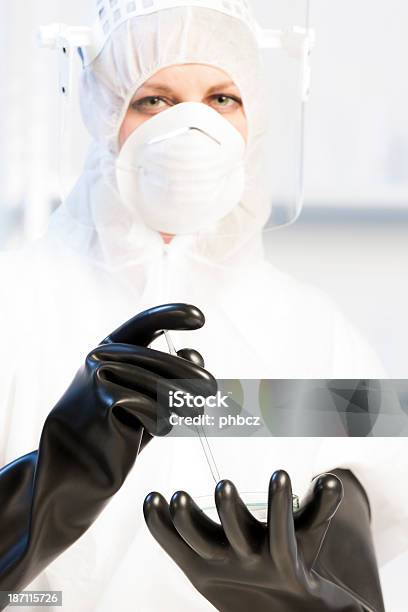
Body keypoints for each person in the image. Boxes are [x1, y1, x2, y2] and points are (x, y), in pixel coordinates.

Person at [0, 1, 406, 610]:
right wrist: (40, 499)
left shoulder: (321, 335)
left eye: (221, 99)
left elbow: (362, 560)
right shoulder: (14, 304)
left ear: (255, 120)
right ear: (104, 111)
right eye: (153, 100)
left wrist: (318, 605)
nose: (190, 129)